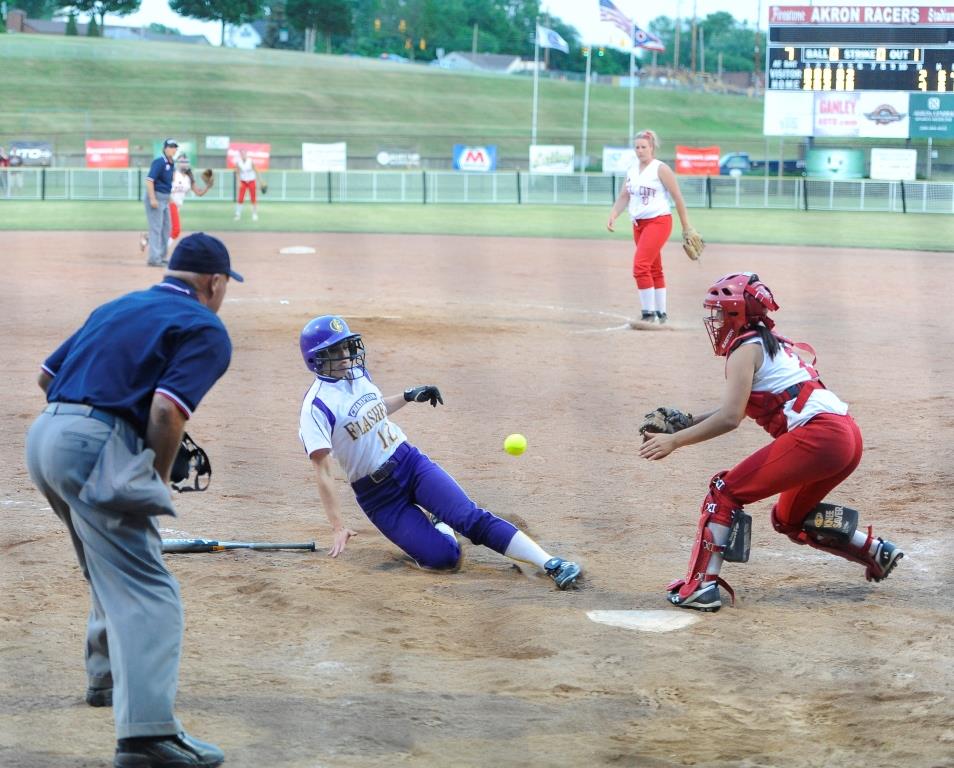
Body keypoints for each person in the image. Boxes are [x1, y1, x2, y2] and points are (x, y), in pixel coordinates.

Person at [25, 233, 243, 767]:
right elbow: (168, 412)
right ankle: (146, 738)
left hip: (45, 438)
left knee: (107, 567)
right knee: (149, 587)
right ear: (214, 283)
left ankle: (106, 679)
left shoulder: (119, 304)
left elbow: (46, 375)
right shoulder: (206, 327)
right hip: (94, 448)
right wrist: (154, 474)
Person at [638, 272, 903, 612]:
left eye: (720, 312)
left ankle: (700, 587)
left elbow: (731, 418)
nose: (715, 320)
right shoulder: (770, 341)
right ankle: (873, 550)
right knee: (789, 518)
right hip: (845, 437)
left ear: (738, 313)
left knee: (724, 490)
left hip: (820, 438)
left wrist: (676, 442)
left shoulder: (744, 350)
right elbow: (744, 407)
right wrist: (688, 423)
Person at [297, 315, 582, 589]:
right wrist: (337, 526)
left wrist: (408, 396)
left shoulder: (358, 375)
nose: (346, 353)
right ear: (317, 359)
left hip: (409, 463)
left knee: (471, 519)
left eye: (347, 345)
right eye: (337, 349)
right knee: (444, 560)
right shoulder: (316, 407)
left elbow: (374, 409)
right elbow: (322, 471)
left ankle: (552, 564)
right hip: (378, 497)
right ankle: (441, 523)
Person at [606, 129, 696, 324]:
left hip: (659, 221)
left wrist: (686, 226)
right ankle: (661, 314)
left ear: (652, 147)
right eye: (637, 147)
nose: (640, 150)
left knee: (640, 266)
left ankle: (648, 314)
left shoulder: (660, 168)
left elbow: (678, 197)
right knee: (654, 268)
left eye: (643, 147)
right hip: (638, 224)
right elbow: (624, 196)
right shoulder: (631, 170)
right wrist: (614, 214)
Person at [140, 153, 213, 255]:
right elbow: (164, 188)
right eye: (181, 161)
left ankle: (147, 238)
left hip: (176, 206)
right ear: (177, 163)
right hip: (169, 204)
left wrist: (208, 186)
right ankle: (161, 252)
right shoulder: (173, 174)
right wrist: (169, 201)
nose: (184, 163)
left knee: (164, 231)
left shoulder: (189, 178)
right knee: (176, 230)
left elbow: (199, 193)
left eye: (186, 161)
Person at [144, 139, 179, 267]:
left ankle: (162, 256)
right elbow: (149, 180)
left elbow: (168, 183)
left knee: (167, 228)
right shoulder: (159, 162)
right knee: (156, 228)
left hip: (164, 198)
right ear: (164, 148)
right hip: (155, 197)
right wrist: (152, 198)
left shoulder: (172, 163)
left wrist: (168, 196)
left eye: (174, 147)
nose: (172, 149)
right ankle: (153, 258)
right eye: (170, 146)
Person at [233, 148, 261, 222]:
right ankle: (238, 214)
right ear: (240, 155)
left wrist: (259, 182)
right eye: (241, 154)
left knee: (253, 198)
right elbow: (238, 173)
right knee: (240, 198)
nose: (243, 155)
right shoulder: (238, 162)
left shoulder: (250, 161)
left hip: (251, 180)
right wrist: (238, 182)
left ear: (246, 154)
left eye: (244, 153)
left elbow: (256, 171)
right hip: (243, 181)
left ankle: (254, 214)